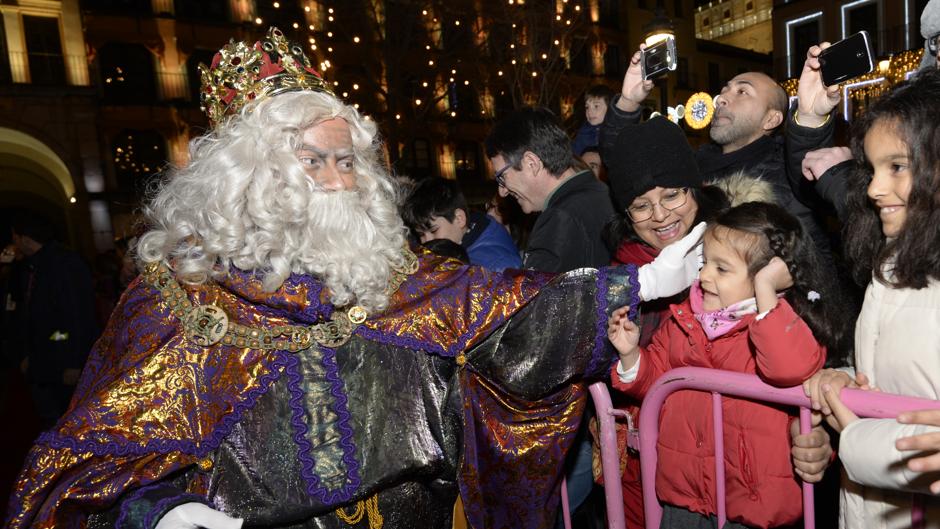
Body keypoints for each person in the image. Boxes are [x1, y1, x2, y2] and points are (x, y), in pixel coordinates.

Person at [4, 28, 703, 529]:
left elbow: (503, 307)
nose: (341, 182)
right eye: (316, 162)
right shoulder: (176, 301)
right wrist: (163, 511)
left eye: (349, 164)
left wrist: (636, 285)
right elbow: (81, 469)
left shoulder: (388, 274)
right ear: (250, 175)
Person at [609, 201, 851, 529]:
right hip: (684, 498)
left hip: (753, 506)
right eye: (705, 262)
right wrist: (631, 354)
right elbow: (655, 381)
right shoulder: (685, 319)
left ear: (775, 277)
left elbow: (788, 369)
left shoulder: (787, 329)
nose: (704, 274)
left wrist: (764, 289)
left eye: (722, 269)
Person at [800, 67, 940, 527]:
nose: (876, 189)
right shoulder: (890, 265)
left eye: (897, 166)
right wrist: (841, 381)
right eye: (873, 170)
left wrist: (855, 436)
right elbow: (900, 382)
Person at [604, 45, 834, 261]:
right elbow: (627, 170)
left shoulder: (787, 172)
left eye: (742, 91)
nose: (722, 98)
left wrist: (811, 118)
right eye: (724, 90)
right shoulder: (693, 166)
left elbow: (809, 162)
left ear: (771, 118)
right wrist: (628, 102)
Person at [794, 0, 940, 221]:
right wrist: (811, 117)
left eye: (898, 167)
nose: (875, 190)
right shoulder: (916, 123)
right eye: (938, 43)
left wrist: (838, 178)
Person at [485, 107, 615, 272]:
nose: (502, 191)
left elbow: (536, 296)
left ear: (532, 163)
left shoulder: (560, 218)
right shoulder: (601, 192)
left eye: (502, 177)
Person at [9, 215, 97, 430]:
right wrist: (29, 354)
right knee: (51, 419)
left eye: (15, 238)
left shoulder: (63, 263)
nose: (14, 244)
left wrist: (74, 362)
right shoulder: (33, 266)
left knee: (71, 421)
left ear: (25, 238)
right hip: (43, 360)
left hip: (64, 361)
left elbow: (77, 314)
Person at [401, 177, 521, 271]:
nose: (426, 241)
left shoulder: (493, 267)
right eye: (421, 234)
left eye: (434, 231)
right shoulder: (472, 234)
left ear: (459, 219)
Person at [571, 84, 615, 156]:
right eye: (587, 107)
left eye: (596, 106)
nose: (590, 111)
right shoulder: (583, 132)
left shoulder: (615, 132)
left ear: (610, 108)